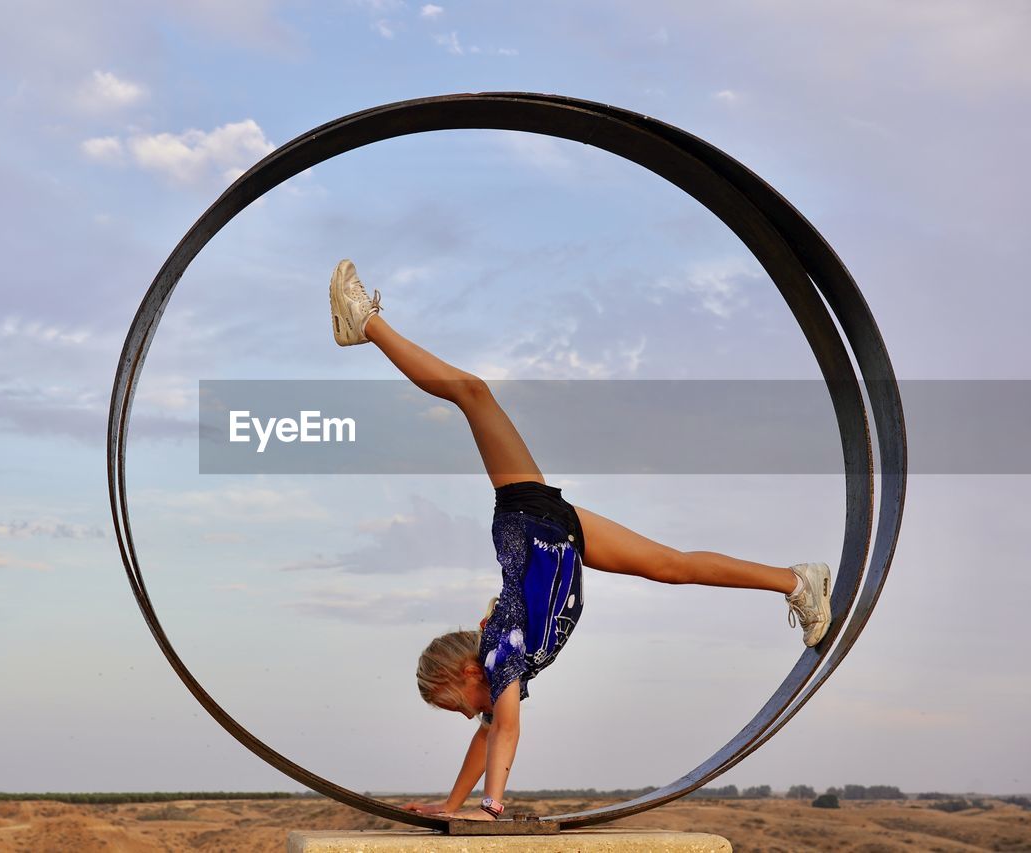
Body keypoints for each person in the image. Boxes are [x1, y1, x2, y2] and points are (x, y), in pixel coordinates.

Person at [327, 259, 834, 822]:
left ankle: (365, 324)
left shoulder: (500, 659)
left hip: (531, 519)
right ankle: (798, 582)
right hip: (560, 535)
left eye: (455, 705)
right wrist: (450, 804)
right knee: (671, 564)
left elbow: (506, 731)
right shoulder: (498, 662)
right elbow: (491, 734)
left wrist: (490, 809)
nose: (465, 716)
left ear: (466, 674)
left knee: (472, 394)